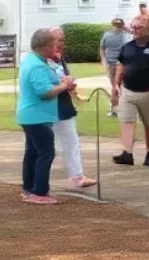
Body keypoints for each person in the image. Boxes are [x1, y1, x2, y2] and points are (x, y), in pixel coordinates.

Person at [17, 28, 75, 205]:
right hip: (37, 116)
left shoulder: (32, 60)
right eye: (53, 45)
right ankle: (39, 192)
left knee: (33, 152)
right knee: (46, 152)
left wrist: (61, 83)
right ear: (44, 46)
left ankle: (29, 189)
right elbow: (45, 92)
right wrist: (64, 85)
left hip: (31, 115)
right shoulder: (38, 65)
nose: (56, 48)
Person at [111, 15, 149, 167]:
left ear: (147, 28)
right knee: (127, 121)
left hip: (148, 92)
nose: (135, 31)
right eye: (134, 28)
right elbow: (121, 66)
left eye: (139, 28)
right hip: (128, 91)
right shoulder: (127, 47)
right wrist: (115, 85)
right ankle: (127, 153)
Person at [49, 28, 96, 189]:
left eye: (62, 40)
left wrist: (72, 89)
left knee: (71, 140)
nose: (60, 43)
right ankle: (36, 179)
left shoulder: (60, 58)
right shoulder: (41, 60)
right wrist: (64, 84)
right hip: (46, 107)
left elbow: (65, 78)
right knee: (45, 146)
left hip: (63, 105)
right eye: (57, 40)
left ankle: (78, 176)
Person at [98, 18, 130, 117]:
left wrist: (104, 61)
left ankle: (115, 108)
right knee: (119, 86)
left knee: (115, 86)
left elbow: (102, 49)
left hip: (114, 63)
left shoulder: (108, 35)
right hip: (118, 63)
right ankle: (118, 107)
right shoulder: (124, 35)